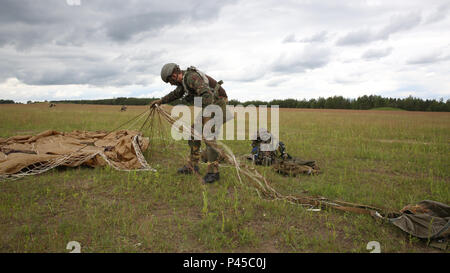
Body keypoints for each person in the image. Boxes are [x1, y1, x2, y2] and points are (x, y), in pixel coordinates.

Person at [150, 63, 228, 183]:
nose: (171, 83)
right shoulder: (184, 82)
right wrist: (160, 101)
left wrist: (207, 117)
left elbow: (207, 95)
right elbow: (175, 94)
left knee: (208, 136)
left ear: (175, 73)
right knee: (193, 132)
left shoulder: (191, 77)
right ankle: (193, 166)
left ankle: (213, 172)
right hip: (211, 104)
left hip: (217, 103)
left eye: (170, 80)